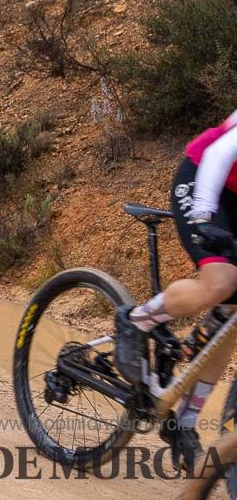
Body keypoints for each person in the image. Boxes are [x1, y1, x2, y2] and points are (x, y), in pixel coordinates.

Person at [115, 110, 237, 471]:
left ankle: (184, 420)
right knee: (223, 283)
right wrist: (202, 216)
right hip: (204, 178)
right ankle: (137, 320)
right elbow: (220, 153)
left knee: (231, 320)